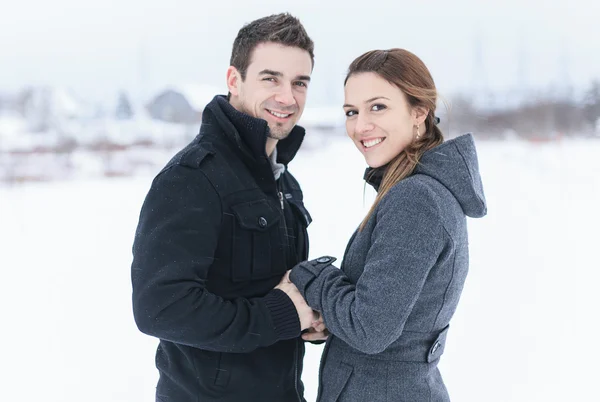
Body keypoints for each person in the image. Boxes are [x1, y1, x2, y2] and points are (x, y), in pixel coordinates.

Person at [131, 13, 323, 402]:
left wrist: (310, 314)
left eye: (299, 82)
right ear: (234, 80)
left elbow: (268, 289)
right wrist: (282, 315)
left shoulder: (281, 180)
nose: (287, 97)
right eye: (270, 78)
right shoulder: (192, 177)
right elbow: (160, 308)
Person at [278, 48, 488, 401]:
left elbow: (370, 329)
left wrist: (313, 277)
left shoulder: (416, 199)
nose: (361, 126)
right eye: (351, 112)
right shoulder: (420, 191)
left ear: (419, 111)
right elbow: (391, 318)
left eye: (378, 107)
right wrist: (333, 314)